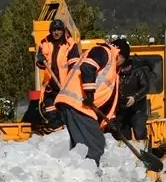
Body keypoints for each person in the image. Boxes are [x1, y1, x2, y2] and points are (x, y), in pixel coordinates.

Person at [52, 37, 129, 167]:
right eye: (124, 60)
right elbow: (87, 67)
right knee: (95, 144)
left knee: (81, 148)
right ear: (120, 54)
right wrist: (89, 93)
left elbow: (107, 98)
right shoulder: (103, 52)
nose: (122, 64)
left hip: (77, 105)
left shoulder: (110, 65)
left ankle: (79, 178)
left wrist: (111, 122)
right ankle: (89, 178)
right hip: (78, 104)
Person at [113, 56, 151, 143]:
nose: (122, 70)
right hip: (122, 109)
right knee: (122, 135)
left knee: (139, 131)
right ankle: (126, 154)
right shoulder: (116, 73)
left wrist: (135, 97)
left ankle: (143, 152)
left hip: (138, 109)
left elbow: (145, 87)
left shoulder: (138, 72)